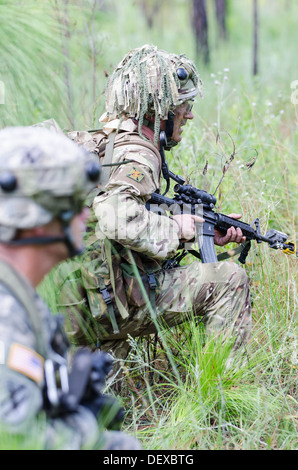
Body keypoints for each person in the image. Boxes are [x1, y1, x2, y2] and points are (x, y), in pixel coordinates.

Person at [60, 44, 251, 373]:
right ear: (158, 109)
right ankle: (226, 393)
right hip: (98, 310)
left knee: (102, 403)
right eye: (183, 105)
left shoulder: (105, 143)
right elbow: (114, 215)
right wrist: (177, 229)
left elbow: (107, 218)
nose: (188, 114)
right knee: (230, 278)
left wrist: (197, 232)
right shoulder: (140, 154)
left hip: (68, 303)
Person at [0, 126, 141, 450]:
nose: (86, 213)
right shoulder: (5, 315)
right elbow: (19, 441)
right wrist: (86, 427)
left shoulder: (20, 296)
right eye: (74, 202)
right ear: (34, 216)